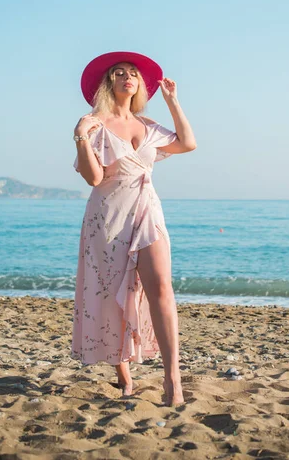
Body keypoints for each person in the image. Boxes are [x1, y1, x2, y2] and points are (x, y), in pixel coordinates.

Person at [71, 51, 197, 406]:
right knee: (110, 296)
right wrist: (80, 136)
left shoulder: (147, 125)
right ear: (109, 82)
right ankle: (123, 374)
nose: (128, 76)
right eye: (119, 72)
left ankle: (173, 381)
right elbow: (94, 178)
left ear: (140, 84)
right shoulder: (94, 123)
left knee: (162, 290)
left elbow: (188, 143)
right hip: (108, 218)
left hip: (147, 212)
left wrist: (174, 101)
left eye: (133, 73)